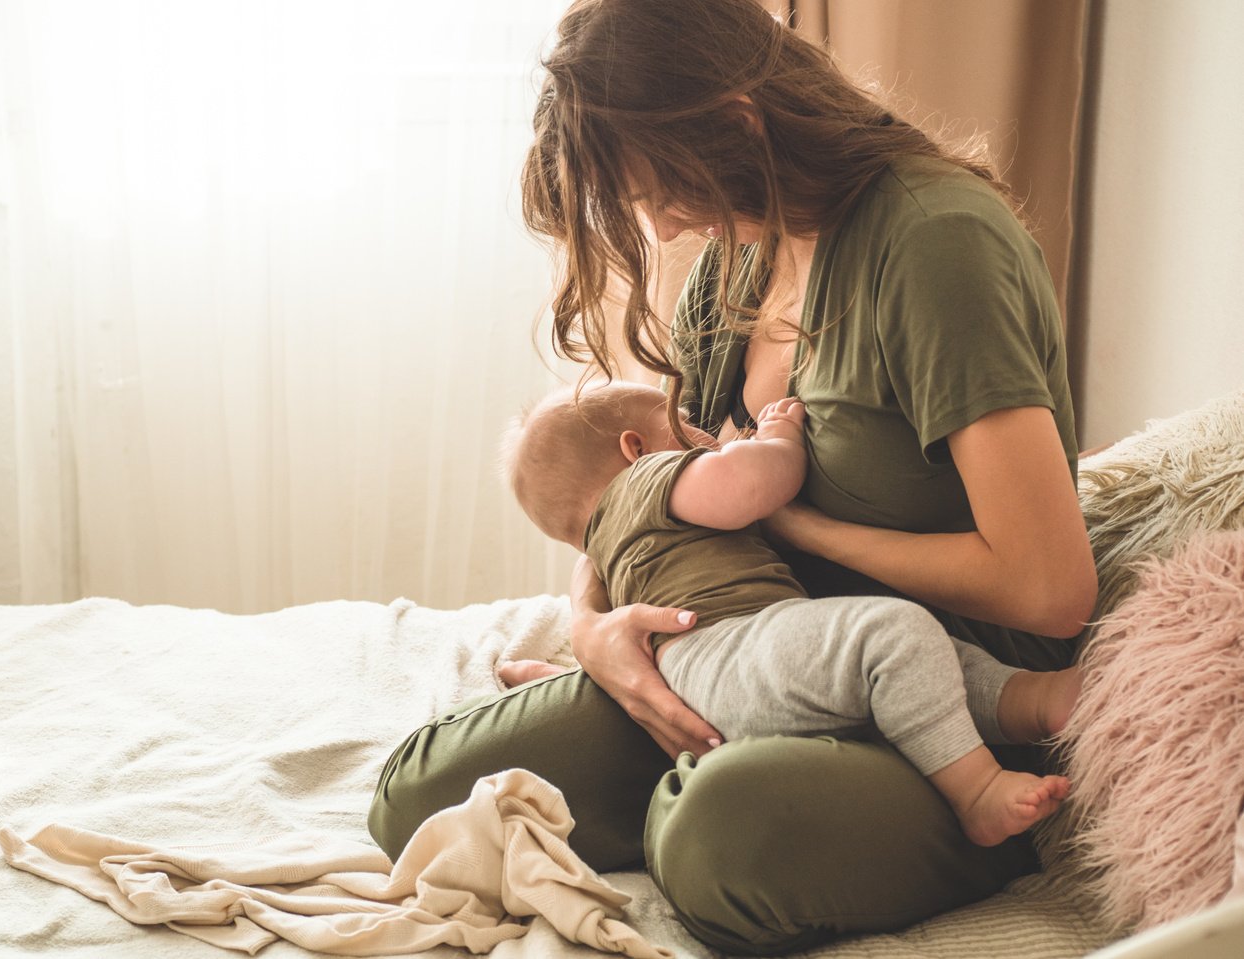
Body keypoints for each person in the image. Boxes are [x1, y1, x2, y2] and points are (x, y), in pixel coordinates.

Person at [369, 0, 1098, 953]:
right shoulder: (735, 265)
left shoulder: (933, 241)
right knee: (421, 799)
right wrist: (595, 632)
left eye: (660, 188)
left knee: (718, 835)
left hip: (942, 704)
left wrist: (805, 529)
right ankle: (744, 786)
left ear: (737, 119)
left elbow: (1050, 588)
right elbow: (652, 487)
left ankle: (959, 821)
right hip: (754, 665)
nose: (661, 222)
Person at [503, 380, 1075, 847]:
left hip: (709, 685)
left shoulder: (607, 550)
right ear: (637, 450)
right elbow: (748, 485)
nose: (707, 434)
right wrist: (778, 437)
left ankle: (1041, 701)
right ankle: (977, 790)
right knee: (893, 635)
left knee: (917, 668)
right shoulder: (646, 480)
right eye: (685, 421)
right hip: (730, 651)